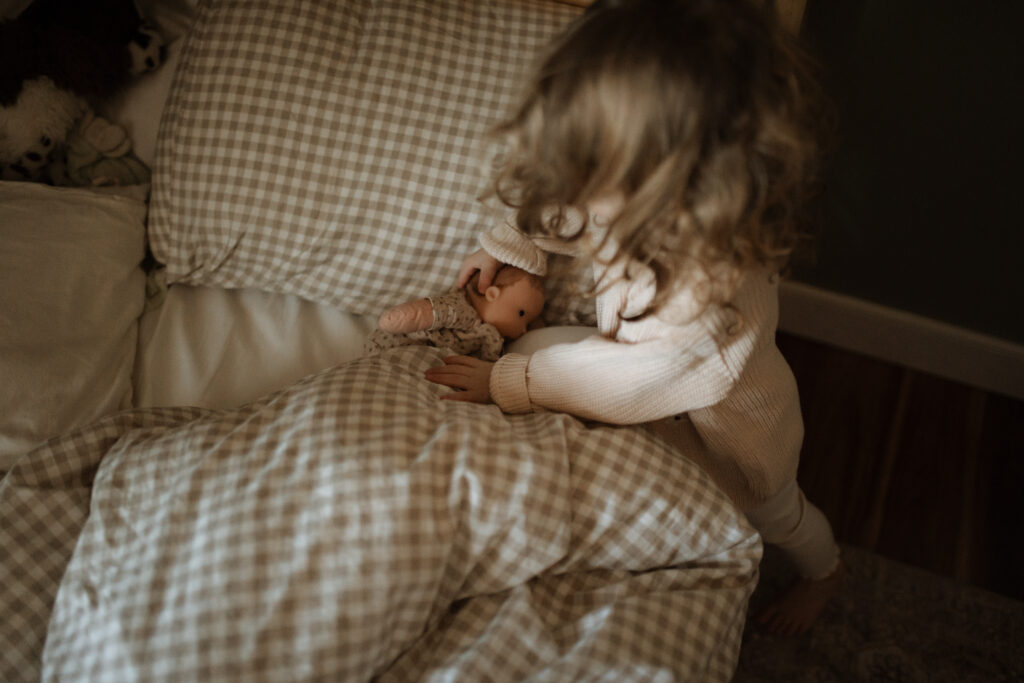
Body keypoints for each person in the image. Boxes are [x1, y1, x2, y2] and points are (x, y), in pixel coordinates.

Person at [423, 0, 842, 635]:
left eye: (597, 173)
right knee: (537, 357)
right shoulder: (640, 189)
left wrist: (509, 385)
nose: (578, 187)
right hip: (645, 371)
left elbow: (631, 382)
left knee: (780, 515)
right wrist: (509, 247)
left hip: (737, 434)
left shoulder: (710, 304)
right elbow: (565, 201)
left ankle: (826, 571)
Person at [365, 265, 545, 361]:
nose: (523, 330)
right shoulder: (463, 310)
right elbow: (433, 312)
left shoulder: (494, 337)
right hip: (402, 346)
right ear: (492, 294)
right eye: (521, 314)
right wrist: (397, 318)